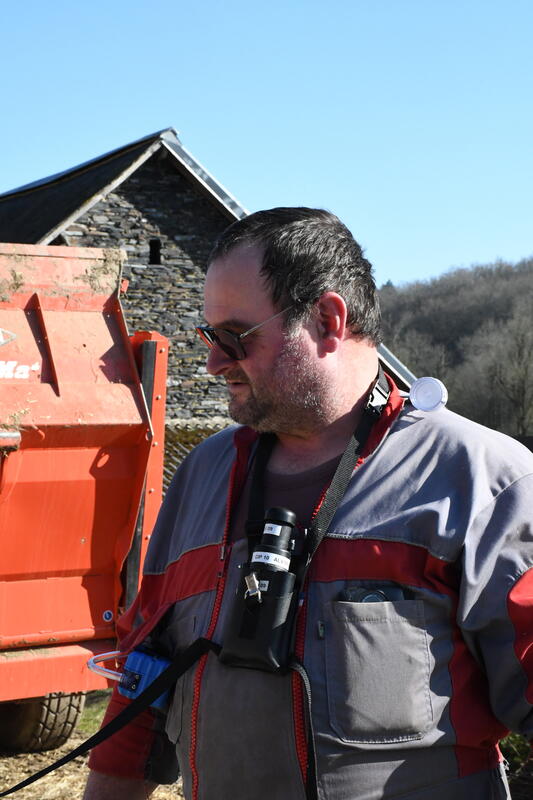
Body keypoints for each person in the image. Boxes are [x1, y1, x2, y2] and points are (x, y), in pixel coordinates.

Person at [84, 207, 533, 800]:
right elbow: (142, 689)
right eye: (207, 337)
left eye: (234, 337)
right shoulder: (200, 475)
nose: (214, 362)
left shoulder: (484, 481)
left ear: (326, 320)